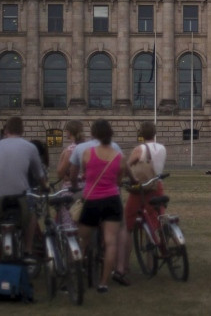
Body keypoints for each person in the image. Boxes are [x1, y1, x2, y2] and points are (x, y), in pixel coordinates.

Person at [66, 119, 130, 293]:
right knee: (110, 243)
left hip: (92, 200)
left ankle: (74, 272)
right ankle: (103, 283)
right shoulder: (119, 156)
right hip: (112, 200)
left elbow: (80, 174)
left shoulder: (86, 152)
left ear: (93, 134)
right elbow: (118, 180)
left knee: (82, 240)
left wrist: (80, 181)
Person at [0, 117, 46, 281]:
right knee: (31, 215)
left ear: (5, 131)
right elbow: (39, 174)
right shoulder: (29, 147)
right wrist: (45, 187)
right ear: (22, 131)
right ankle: (28, 250)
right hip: (21, 197)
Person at [120, 121, 167, 281]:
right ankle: (150, 264)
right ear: (154, 133)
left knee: (128, 226)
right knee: (152, 225)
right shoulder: (162, 148)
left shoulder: (139, 149)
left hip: (143, 190)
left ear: (141, 134)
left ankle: (124, 266)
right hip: (158, 187)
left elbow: (128, 166)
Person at [55, 120, 86, 190]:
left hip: (72, 189)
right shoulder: (87, 147)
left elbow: (60, 174)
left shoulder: (70, 150)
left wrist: (61, 157)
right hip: (86, 188)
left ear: (69, 132)